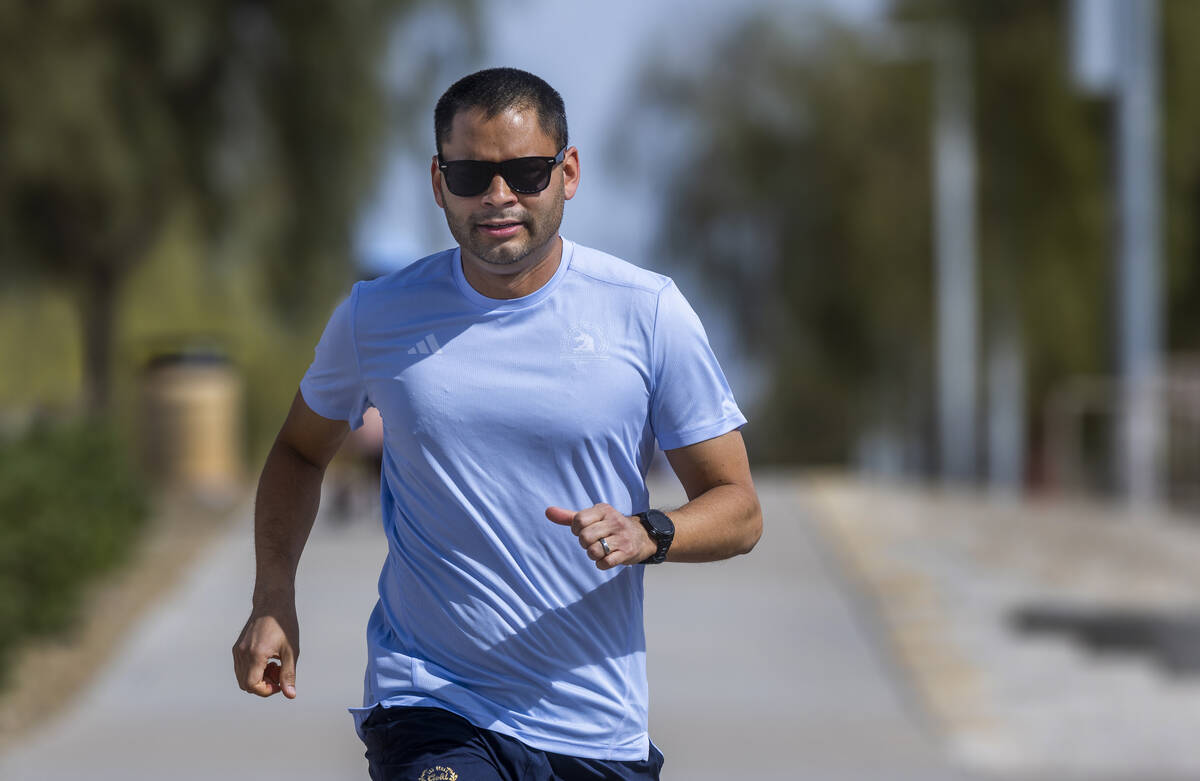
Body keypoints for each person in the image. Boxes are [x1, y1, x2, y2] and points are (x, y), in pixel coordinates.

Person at [232, 67, 761, 781]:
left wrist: (650, 531)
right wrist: (273, 599)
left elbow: (739, 508)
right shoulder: (376, 315)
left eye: (526, 171)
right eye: (472, 174)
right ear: (438, 180)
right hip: (430, 701)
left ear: (568, 172)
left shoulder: (648, 312)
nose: (499, 196)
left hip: (594, 723)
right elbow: (299, 451)